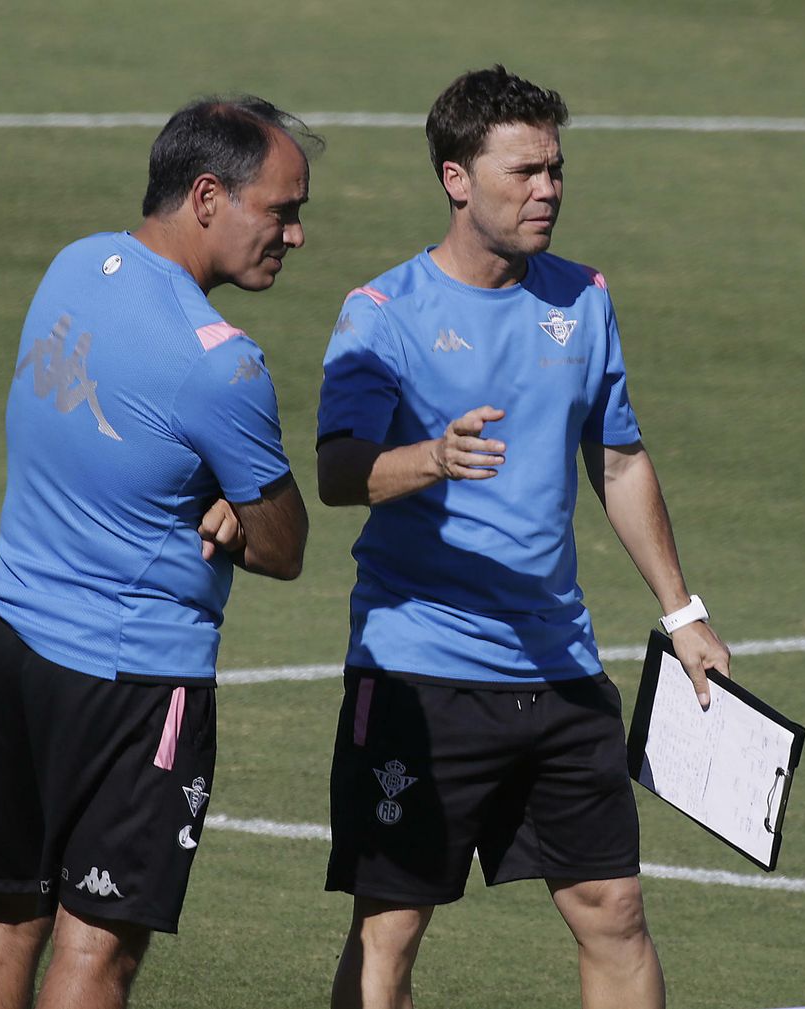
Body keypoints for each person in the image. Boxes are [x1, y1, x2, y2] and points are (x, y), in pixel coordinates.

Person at [315, 66, 731, 1009]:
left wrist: (684, 612)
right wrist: (428, 458)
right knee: (390, 928)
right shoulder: (384, 314)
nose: (547, 189)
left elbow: (619, 463)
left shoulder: (581, 299)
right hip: (424, 672)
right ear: (457, 178)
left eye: (555, 168)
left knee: (612, 908)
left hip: (557, 666)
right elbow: (339, 472)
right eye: (524, 171)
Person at [0, 96, 318, 1009]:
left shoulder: (73, 267)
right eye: (283, 210)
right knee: (96, 951)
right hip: (135, 682)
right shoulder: (220, 363)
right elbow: (283, 545)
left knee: (3, 913)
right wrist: (234, 498)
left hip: (14, 644)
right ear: (207, 196)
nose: (296, 236)